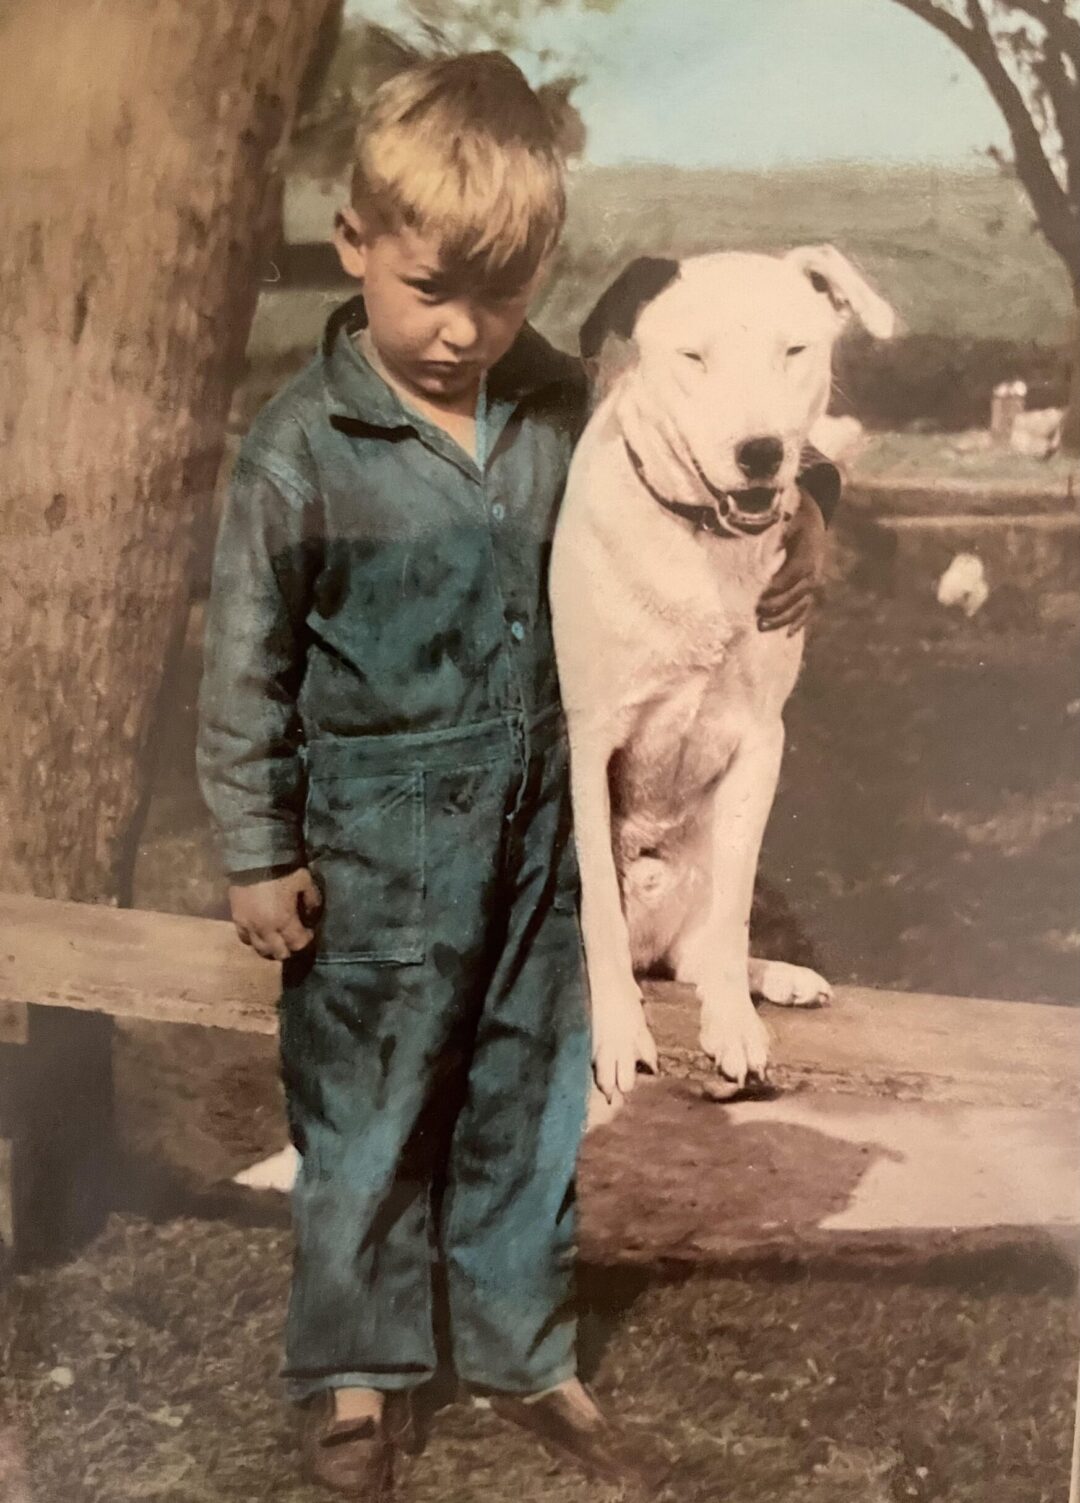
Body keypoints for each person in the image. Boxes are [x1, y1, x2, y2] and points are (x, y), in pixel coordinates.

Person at [197, 48, 836, 1500]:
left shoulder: (543, 403)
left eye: (504, 297)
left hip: (546, 839)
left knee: (526, 1105)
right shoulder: (301, 455)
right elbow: (242, 668)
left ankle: (519, 1349)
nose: (462, 332)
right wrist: (254, 844)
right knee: (362, 1112)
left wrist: (815, 510)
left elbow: (701, 432)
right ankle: (357, 1375)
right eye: (430, 292)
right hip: (373, 847)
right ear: (355, 246)